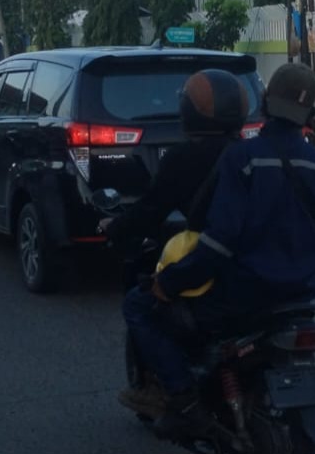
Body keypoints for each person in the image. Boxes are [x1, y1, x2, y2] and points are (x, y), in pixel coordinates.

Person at [126, 63, 315, 439]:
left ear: (265, 102)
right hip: (300, 299)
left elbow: (218, 242)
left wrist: (172, 281)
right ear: (310, 113)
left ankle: (184, 402)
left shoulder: (243, 159)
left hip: (239, 298)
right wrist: (300, 272)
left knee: (140, 305)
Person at [105, 68, 249, 419]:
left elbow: (151, 210)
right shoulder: (252, 153)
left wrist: (115, 228)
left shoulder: (183, 158)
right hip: (256, 269)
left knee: (138, 306)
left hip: (211, 270)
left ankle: (179, 392)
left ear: (189, 112)